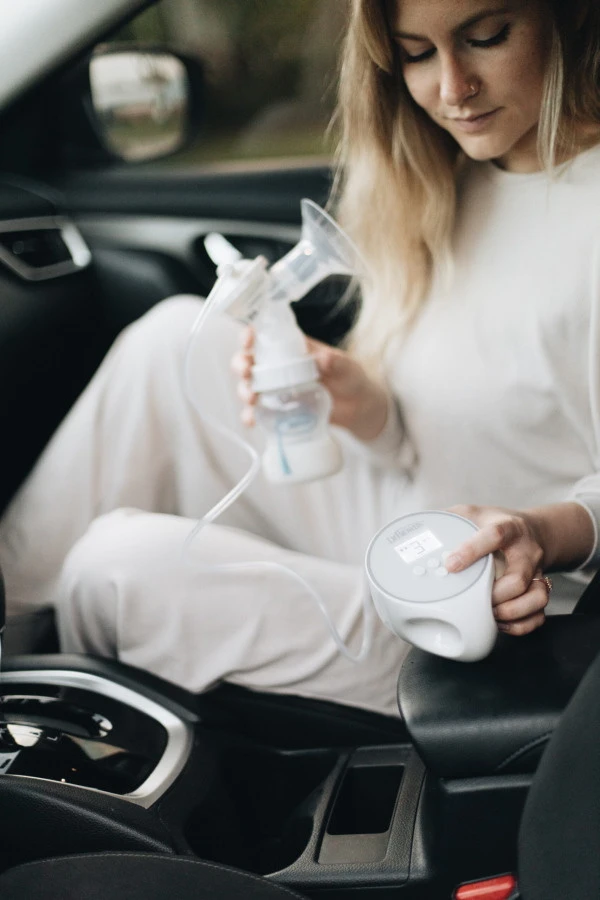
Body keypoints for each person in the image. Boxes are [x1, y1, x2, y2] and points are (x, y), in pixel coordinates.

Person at [0, 0, 599, 717]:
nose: (452, 88)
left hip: (498, 605)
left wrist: (540, 533)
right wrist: (365, 406)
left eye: (486, 37)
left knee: (113, 569)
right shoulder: (459, 174)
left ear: (568, 17)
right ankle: (9, 630)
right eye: (415, 53)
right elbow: (485, 413)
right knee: (171, 338)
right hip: (412, 520)